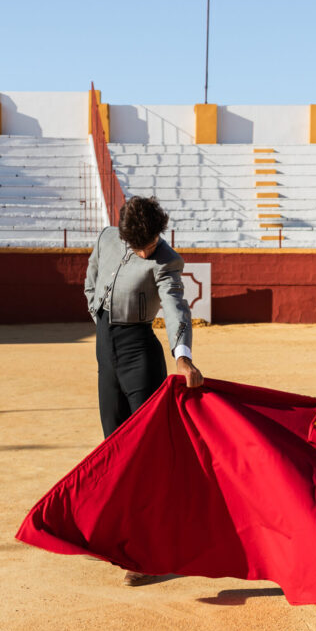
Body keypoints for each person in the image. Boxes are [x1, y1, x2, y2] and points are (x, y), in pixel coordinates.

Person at [84, 196, 204, 586]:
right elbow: (92, 277)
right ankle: (122, 537)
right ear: (123, 235)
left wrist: (182, 355)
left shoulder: (167, 259)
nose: (144, 251)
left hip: (139, 354)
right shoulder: (106, 238)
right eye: (138, 245)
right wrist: (97, 313)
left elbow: (174, 305)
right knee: (114, 447)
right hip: (107, 350)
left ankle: (149, 552)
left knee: (144, 456)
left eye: (150, 243)